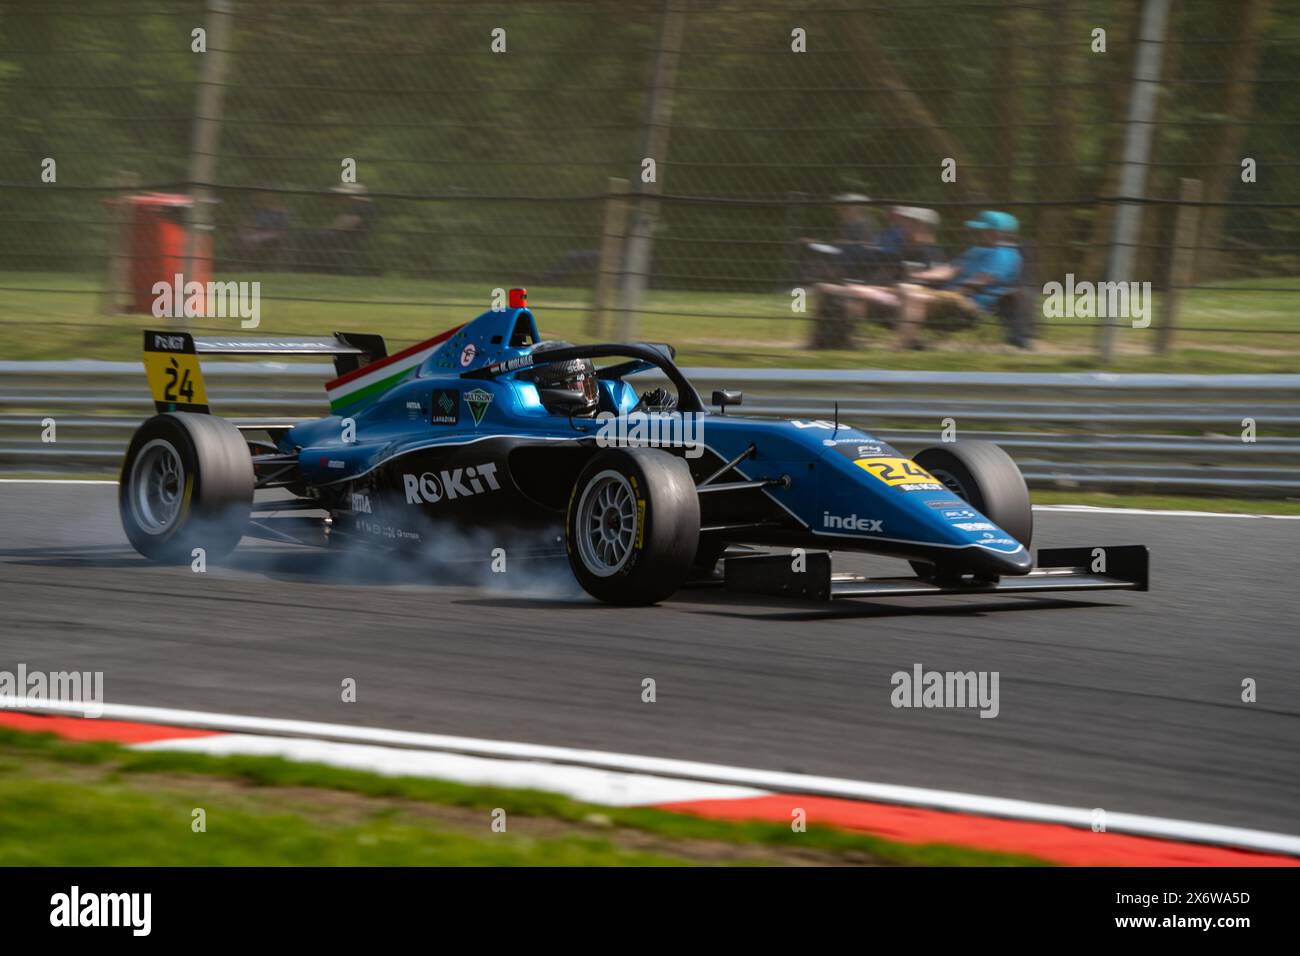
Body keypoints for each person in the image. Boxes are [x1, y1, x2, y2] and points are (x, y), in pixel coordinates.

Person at [893, 210, 1022, 349]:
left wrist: (953, 294)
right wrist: (917, 276)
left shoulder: (1005, 255)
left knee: (913, 295)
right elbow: (950, 270)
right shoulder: (977, 250)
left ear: (997, 232)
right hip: (952, 296)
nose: (978, 232)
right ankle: (910, 341)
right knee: (904, 288)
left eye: (983, 230)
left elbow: (982, 281)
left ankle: (905, 343)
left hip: (969, 302)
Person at [811, 206, 945, 331]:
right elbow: (889, 277)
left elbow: (925, 288)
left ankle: (842, 338)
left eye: (908, 223)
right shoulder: (904, 251)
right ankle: (822, 339)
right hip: (888, 294)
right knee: (824, 287)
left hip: (907, 300)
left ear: (921, 226)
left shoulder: (931, 253)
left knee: (855, 292)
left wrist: (880, 288)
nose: (902, 227)